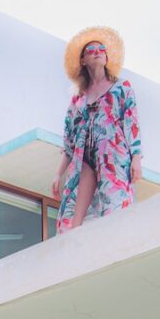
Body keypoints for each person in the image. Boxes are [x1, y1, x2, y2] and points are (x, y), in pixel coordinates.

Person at [51, 25, 142, 232]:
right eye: (90, 51)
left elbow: (131, 124)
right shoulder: (77, 100)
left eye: (101, 49)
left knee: (114, 206)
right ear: (83, 60)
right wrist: (58, 174)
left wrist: (136, 158)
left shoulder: (121, 88)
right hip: (83, 159)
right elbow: (69, 144)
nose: (97, 52)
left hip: (112, 156)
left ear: (107, 57)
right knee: (71, 219)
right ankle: (73, 237)